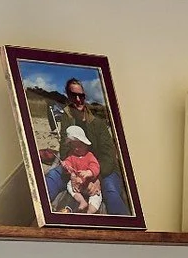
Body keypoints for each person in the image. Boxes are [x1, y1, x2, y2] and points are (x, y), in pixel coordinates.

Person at [42, 77, 131, 216]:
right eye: (73, 95)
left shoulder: (98, 124)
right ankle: (40, 213)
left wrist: (96, 179)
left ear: (85, 96)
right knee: (52, 177)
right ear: (68, 95)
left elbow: (108, 156)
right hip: (75, 167)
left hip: (102, 170)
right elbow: (64, 150)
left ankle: (125, 230)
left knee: (111, 190)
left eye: (81, 96)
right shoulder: (67, 119)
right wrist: (71, 173)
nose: (78, 99)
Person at [59, 125, 103, 213]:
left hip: (90, 183)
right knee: (69, 186)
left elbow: (95, 166)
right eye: (74, 146)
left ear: (86, 145)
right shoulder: (72, 155)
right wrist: (65, 165)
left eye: (79, 146)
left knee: (96, 196)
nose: (76, 149)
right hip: (78, 185)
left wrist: (89, 172)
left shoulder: (89, 155)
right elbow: (68, 163)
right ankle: (82, 201)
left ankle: (90, 211)